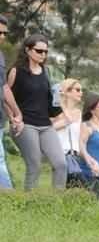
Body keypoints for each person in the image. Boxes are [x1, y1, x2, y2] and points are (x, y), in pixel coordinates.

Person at [6, 33, 67, 190]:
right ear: (27, 50)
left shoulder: (46, 71)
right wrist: (13, 118)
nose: (43, 55)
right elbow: (4, 96)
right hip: (25, 124)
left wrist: (58, 103)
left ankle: (57, 203)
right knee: (35, 165)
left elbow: (48, 100)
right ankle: (29, 204)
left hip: (45, 125)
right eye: (39, 51)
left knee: (60, 164)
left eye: (46, 52)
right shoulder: (16, 71)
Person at [53, 78, 85, 186]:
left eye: (81, 90)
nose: (81, 93)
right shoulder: (56, 113)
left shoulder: (79, 113)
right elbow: (49, 130)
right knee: (61, 191)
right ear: (67, 92)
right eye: (78, 90)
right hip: (61, 157)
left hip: (76, 158)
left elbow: (80, 139)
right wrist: (61, 104)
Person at [0, 15, 14, 190]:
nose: (2, 36)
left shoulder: (1, 56)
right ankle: (9, 198)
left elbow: (3, 88)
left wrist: (14, 113)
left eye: (4, 33)